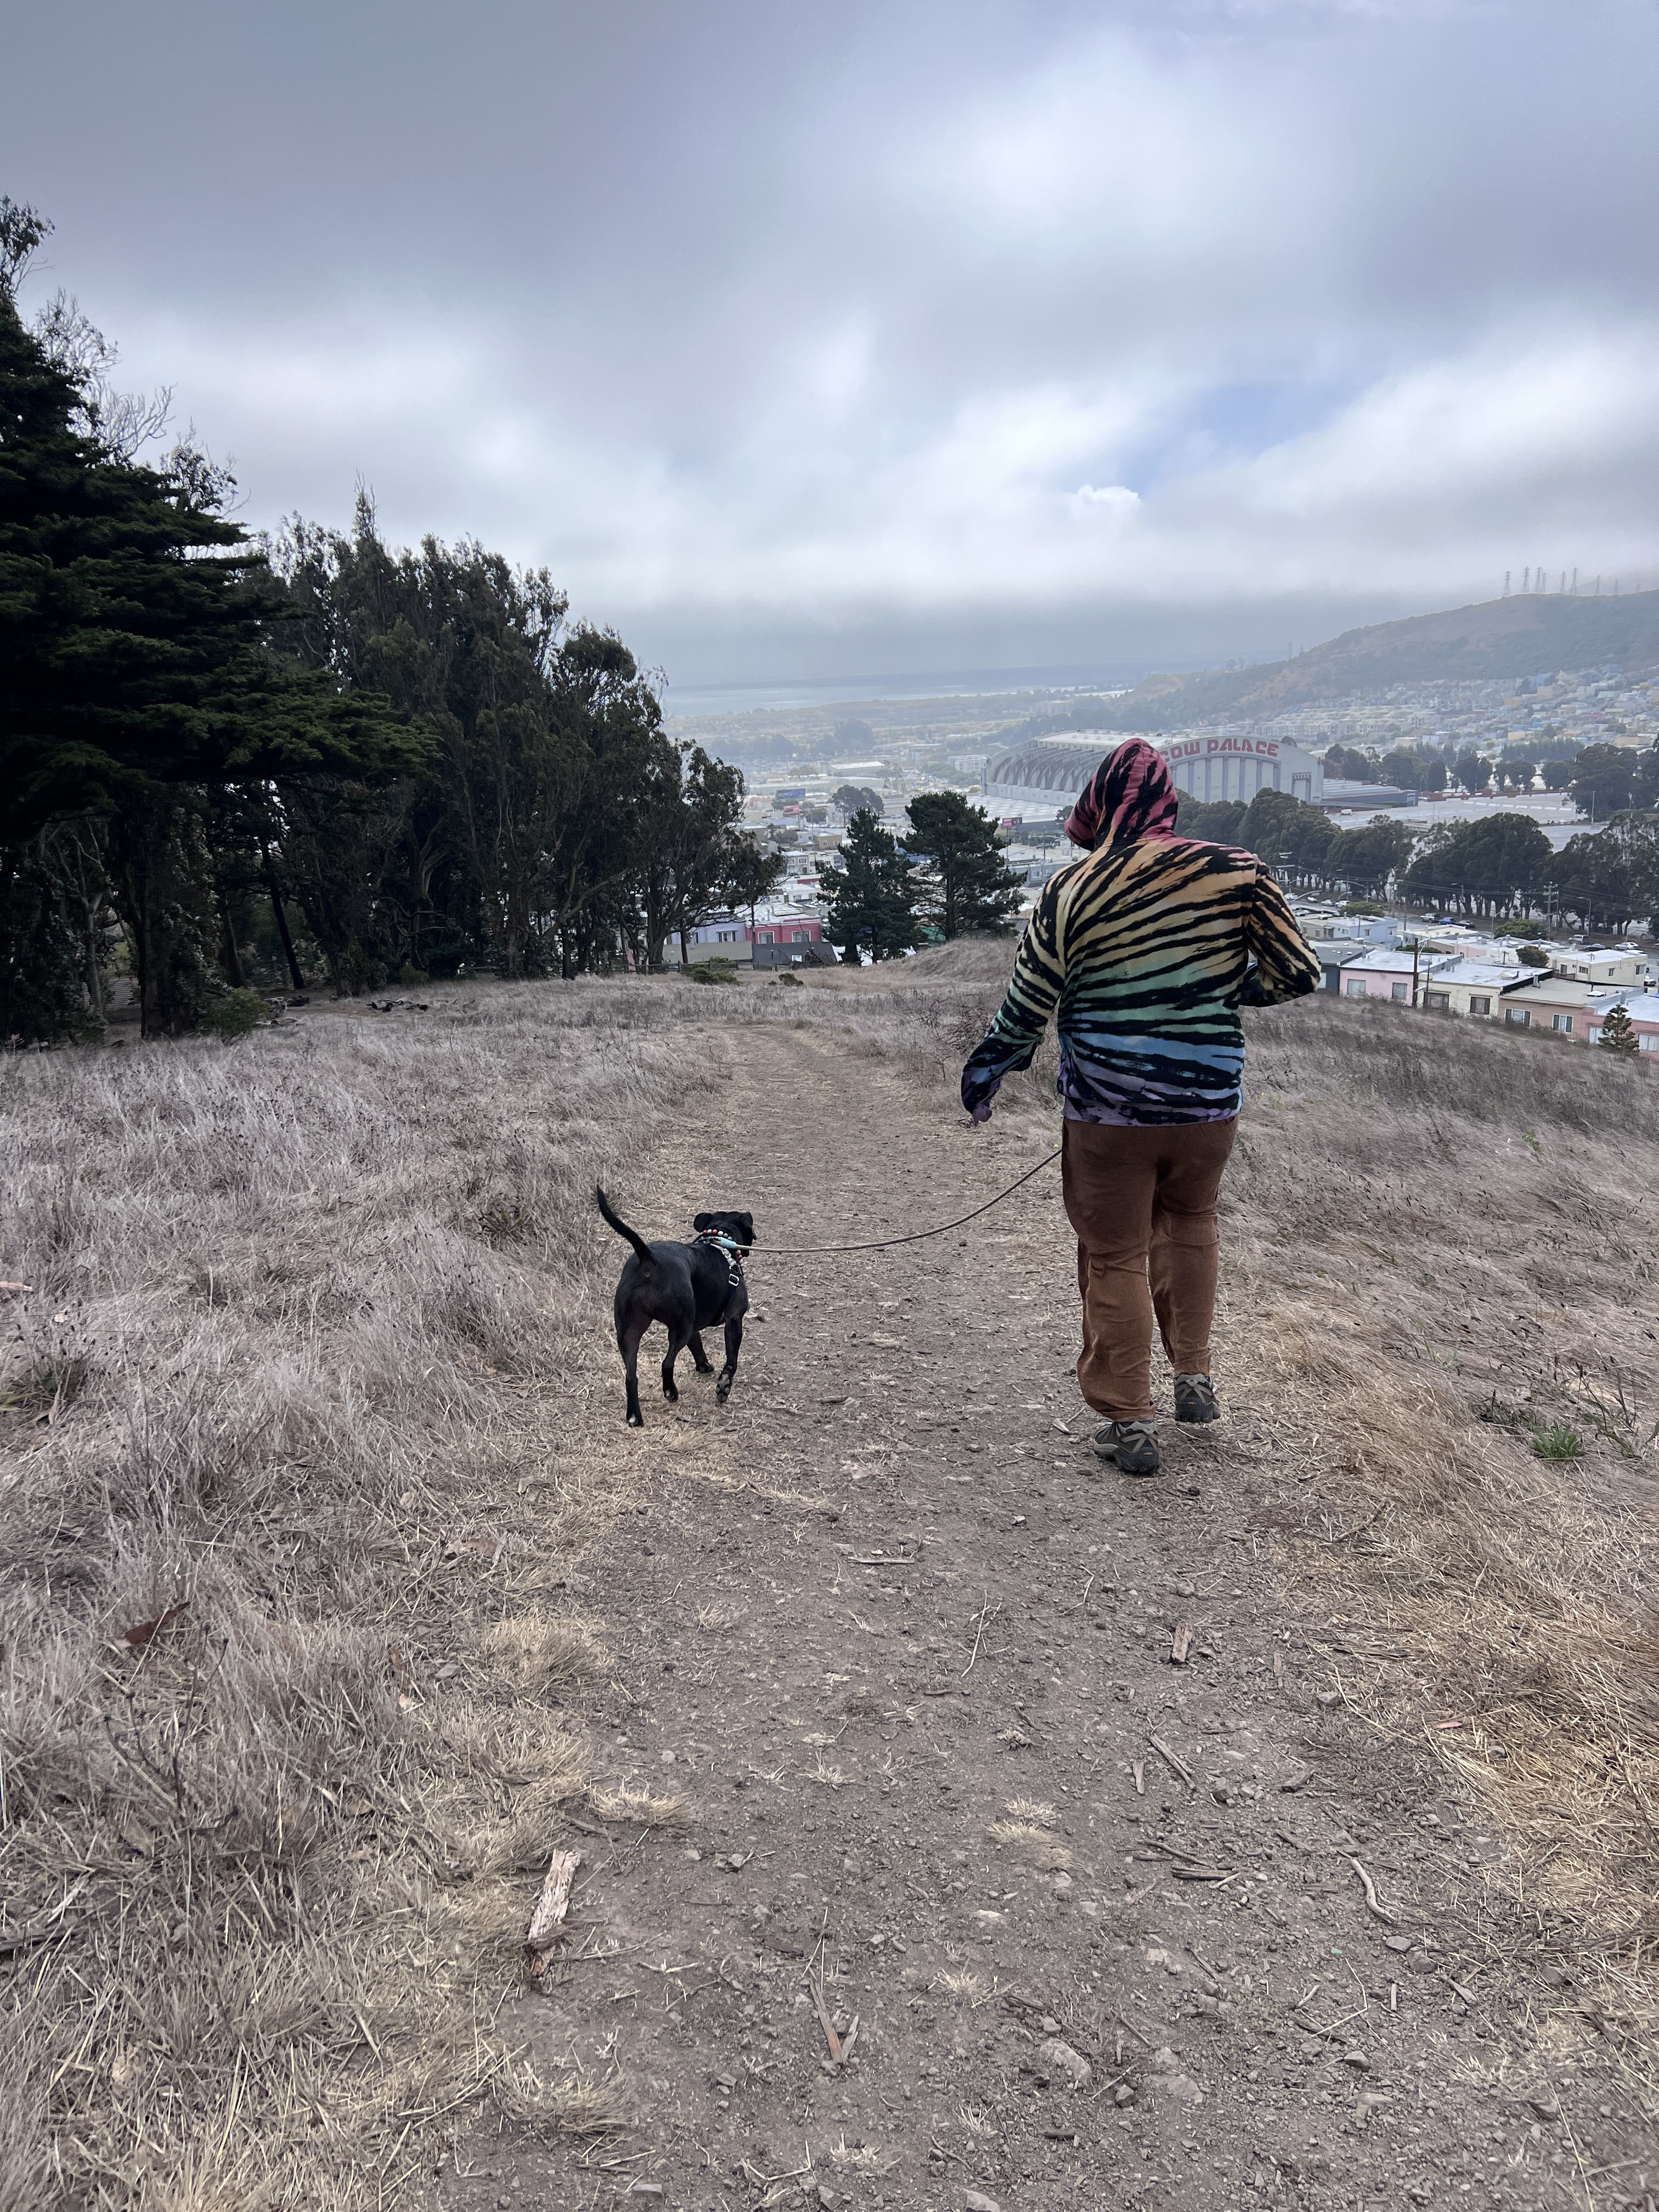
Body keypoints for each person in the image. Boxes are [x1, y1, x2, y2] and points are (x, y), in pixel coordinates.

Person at [960, 740, 1321, 1477]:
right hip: (1209, 1106)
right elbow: (1298, 972)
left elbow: (1028, 1004)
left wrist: (989, 1069)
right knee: (1192, 1223)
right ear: (1168, 800)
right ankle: (1194, 1375)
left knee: (1115, 1252)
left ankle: (1129, 1420)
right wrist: (1217, 991)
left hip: (1107, 1111)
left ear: (1097, 801)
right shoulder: (1238, 870)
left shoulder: (1070, 888)